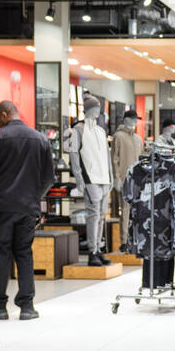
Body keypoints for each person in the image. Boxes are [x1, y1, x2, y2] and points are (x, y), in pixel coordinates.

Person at [0, 100, 54, 320]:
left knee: (0, 254)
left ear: (5, 114)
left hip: (1, 207)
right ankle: (27, 306)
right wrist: (36, 197)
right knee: (24, 253)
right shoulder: (40, 139)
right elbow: (48, 178)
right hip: (28, 207)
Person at [66, 94, 113, 266]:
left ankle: (98, 249)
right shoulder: (78, 129)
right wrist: (79, 178)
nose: (97, 111)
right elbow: (73, 154)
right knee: (93, 215)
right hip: (90, 178)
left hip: (104, 179)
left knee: (101, 215)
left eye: (98, 108)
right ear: (87, 110)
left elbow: (106, 156)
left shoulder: (101, 131)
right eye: (94, 108)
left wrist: (111, 176)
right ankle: (92, 251)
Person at [110, 110, 143, 247]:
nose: (135, 121)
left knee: (138, 210)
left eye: (136, 119)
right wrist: (116, 177)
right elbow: (114, 159)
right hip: (124, 179)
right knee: (125, 210)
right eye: (132, 119)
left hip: (138, 179)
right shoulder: (118, 136)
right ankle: (124, 241)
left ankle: (135, 239)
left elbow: (141, 159)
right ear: (125, 120)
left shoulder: (138, 139)